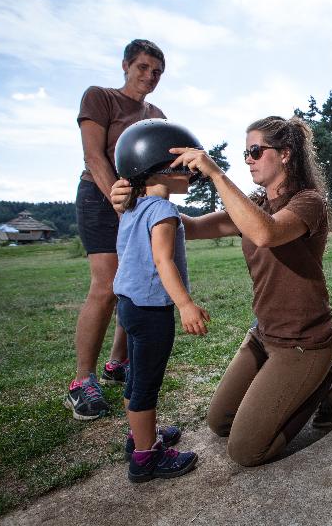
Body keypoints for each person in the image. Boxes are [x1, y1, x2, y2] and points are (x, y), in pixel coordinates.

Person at [111, 115, 332, 467]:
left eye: (255, 151)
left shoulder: (308, 202)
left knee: (247, 451)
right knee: (219, 422)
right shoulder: (253, 206)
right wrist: (137, 200)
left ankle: (326, 382)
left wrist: (217, 174)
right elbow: (188, 228)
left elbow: (265, 233)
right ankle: (308, 382)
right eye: (245, 154)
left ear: (285, 154)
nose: (249, 160)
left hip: (304, 341)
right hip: (264, 335)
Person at [67, 39, 167, 420]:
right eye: (143, 67)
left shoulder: (156, 112)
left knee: (136, 281)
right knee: (107, 285)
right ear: (126, 65)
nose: (150, 76)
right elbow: (93, 156)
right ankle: (82, 381)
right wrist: (118, 201)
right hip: (99, 195)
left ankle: (117, 363)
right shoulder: (100, 97)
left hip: (137, 203)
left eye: (157, 71)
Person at [112, 119, 210, 482]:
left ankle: (139, 434)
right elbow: (162, 260)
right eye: (182, 165)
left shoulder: (132, 208)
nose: (189, 171)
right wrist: (185, 304)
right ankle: (145, 456)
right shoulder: (165, 212)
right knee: (146, 384)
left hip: (129, 306)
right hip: (152, 309)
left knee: (135, 377)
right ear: (157, 166)